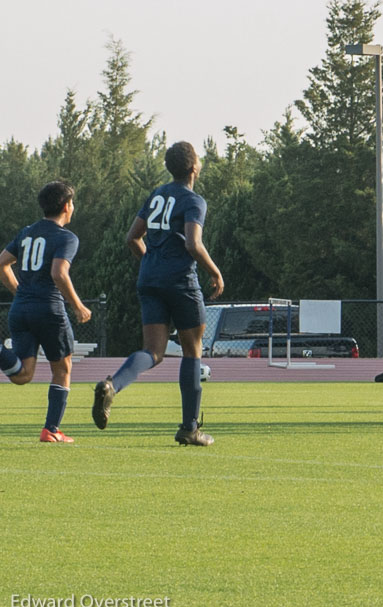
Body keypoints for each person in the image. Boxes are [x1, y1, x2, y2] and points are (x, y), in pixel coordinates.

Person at [92, 141, 225, 445]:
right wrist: (215, 272)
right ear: (194, 167)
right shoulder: (194, 201)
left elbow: (132, 237)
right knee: (192, 350)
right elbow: (193, 244)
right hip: (180, 282)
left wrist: (152, 263)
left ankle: (113, 385)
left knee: (153, 351)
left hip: (149, 279)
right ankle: (190, 428)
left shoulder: (156, 195)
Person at [0, 181, 92, 443]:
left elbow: (2, 264)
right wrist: (77, 305)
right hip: (49, 309)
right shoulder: (66, 237)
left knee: (22, 375)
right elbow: (58, 273)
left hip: (20, 310)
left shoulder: (27, 232)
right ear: (66, 206)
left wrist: (20, 292)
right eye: (72, 203)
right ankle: (51, 429)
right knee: (62, 367)